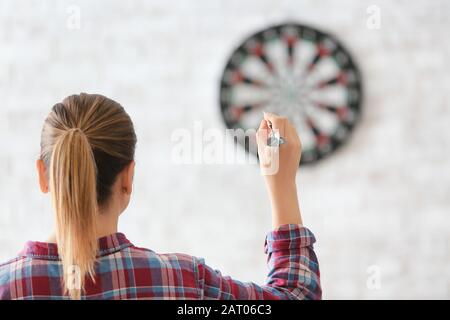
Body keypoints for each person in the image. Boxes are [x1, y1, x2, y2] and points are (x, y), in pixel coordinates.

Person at [0, 93, 321, 300]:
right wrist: (280, 182)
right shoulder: (182, 282)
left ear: (44, 175)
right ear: (128, 178)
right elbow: (296, 296)